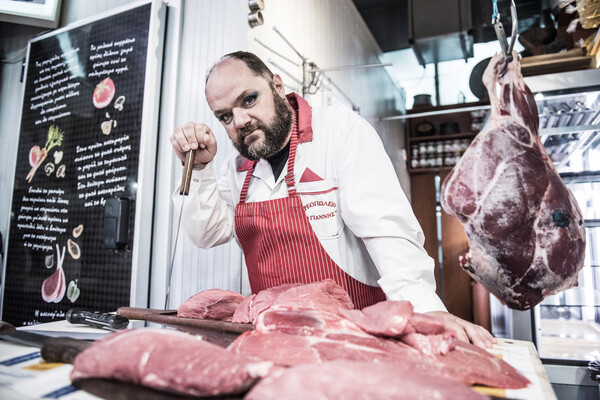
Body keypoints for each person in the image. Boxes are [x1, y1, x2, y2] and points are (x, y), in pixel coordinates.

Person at [170, 51, 495, 348]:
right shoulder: (235, 167)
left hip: (356, 338)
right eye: (225, 116)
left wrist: (426, 310)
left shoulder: (339, 132)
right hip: (276, 340)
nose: (240, 121)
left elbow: (387, 231)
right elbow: (206, 233)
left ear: (277, 86)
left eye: (249, 99)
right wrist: (198, 170)